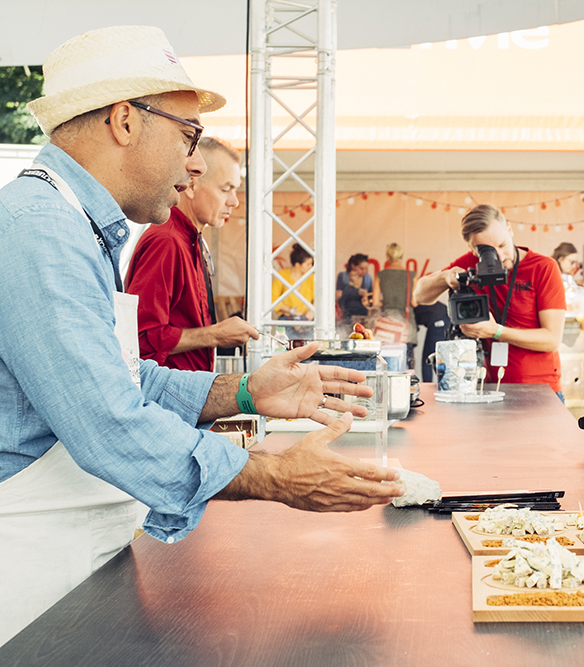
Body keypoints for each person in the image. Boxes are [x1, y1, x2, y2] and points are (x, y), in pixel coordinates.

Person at [0, 25, 402, 644]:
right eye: (189, 136)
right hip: (32, 567)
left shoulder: (71, 222)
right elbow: (108, 422)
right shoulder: (43, 229)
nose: (195, 164)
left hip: (70, 546)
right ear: (125, 121)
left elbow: (127, 377)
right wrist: (273, 475)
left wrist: (243, 394)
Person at [125, 137, 258, 371]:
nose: (235, 201)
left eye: (235, 189)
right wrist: (214, 335)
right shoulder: (166, 241)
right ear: (192, 185)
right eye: (226, 189)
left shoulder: (190, 238)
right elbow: (141, 338)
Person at [413, 204, 566, 395]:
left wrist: (496, 331)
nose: (499, 257)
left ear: (509, 229)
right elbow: (419, 295)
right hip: (486, 388)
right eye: (487, 251)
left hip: (539, 389)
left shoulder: (543, 267)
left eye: (502, 245)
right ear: (472, 249)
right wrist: (444, 277)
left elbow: (552, 339)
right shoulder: (471, 263)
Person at [372, 242, 417, 366]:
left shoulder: (380, 275)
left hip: (387, 325)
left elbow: (375, 302)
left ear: (387, 257)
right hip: (406, 324)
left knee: (386, 362)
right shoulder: (411, 275)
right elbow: (414, 302)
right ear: (402, 257)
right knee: (407, 362)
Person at [272, 242, 315, 339]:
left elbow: (319, 298)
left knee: (308, 349)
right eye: (308, 264)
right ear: (297, 264)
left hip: (306, 321)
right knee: (287, 347)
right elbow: (273, 299)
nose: (311, 267)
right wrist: (291, 311)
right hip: (287, 320)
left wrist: (312, 312)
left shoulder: (311, 277)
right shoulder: (282, 275)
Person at [336, 253, 372, 323]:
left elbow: (371, 299)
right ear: (353, 266)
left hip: (363, 314)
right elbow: (340, 296)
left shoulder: (367, 278)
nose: (364, 271)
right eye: (361, 268)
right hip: (346, 315)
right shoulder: (343, 277)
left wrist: (366, 297)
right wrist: (355, 289)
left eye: (366, 268)